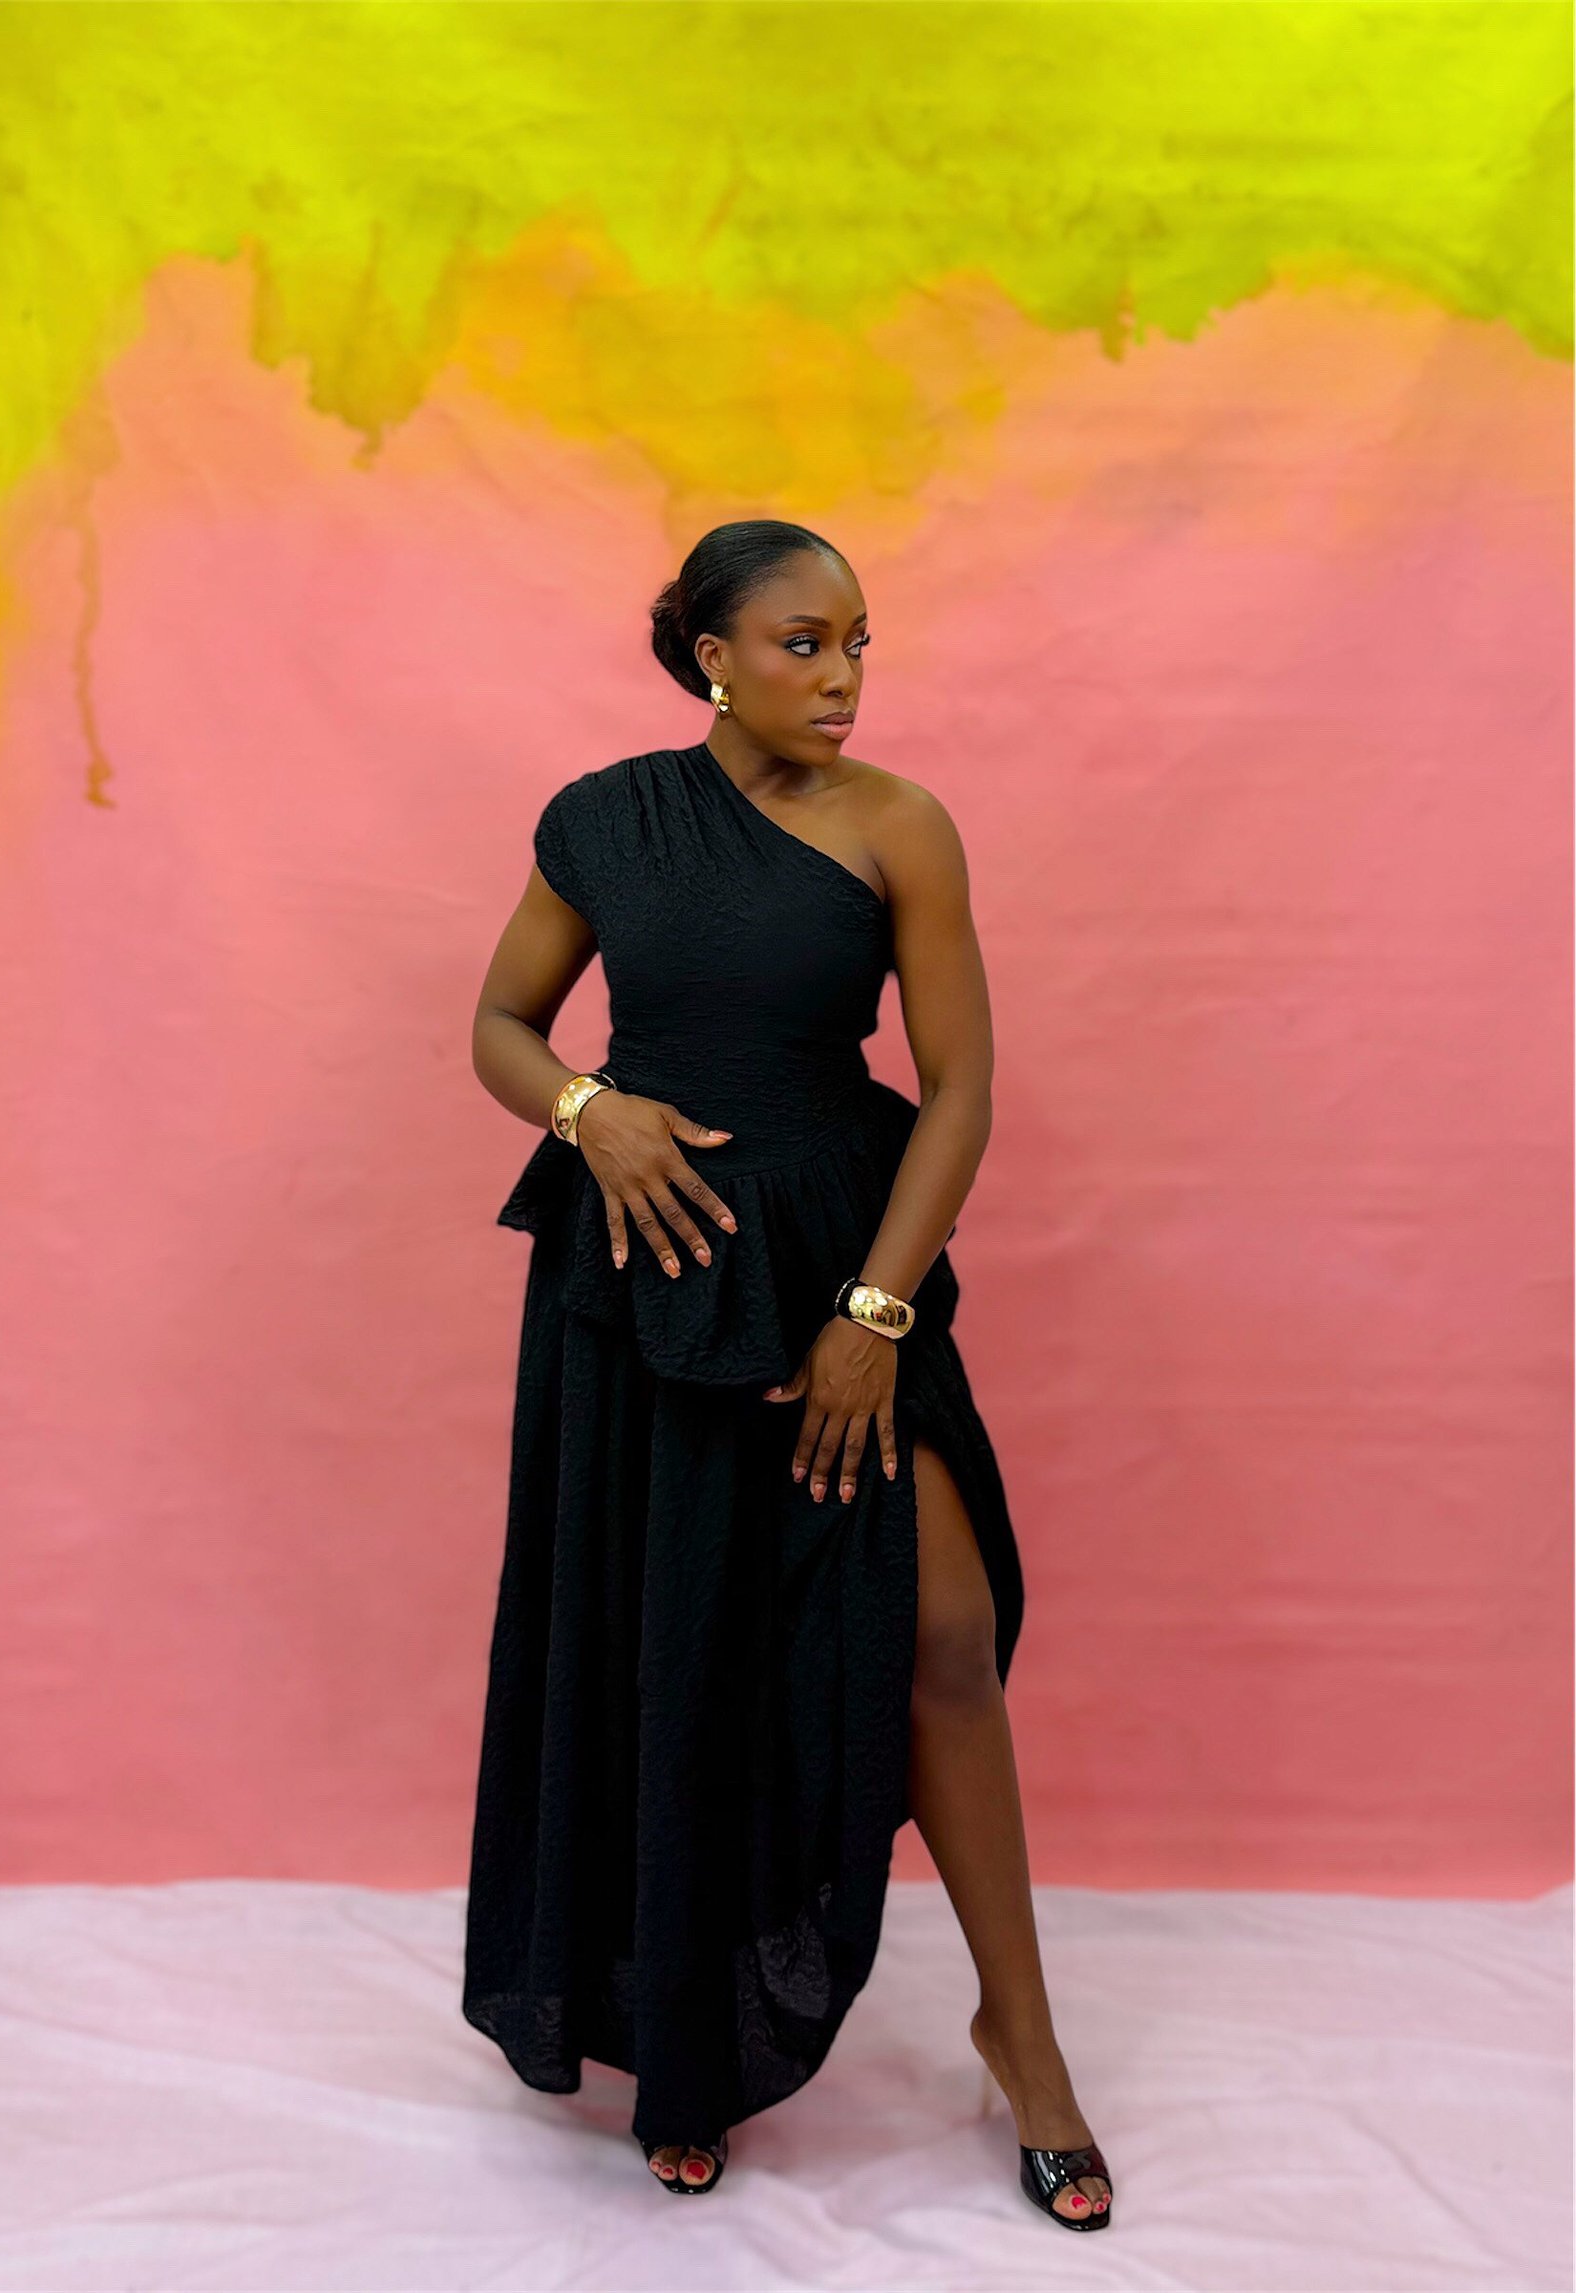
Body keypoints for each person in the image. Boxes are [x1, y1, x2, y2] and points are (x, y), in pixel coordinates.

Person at [461, 519, 1114, 2229]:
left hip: (842, 1256)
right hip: (650, 1272)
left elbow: (960, 1088)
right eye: (803, 643)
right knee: (678, 1654)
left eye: (857, 643)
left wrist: (873, 1313)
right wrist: (590, 1115)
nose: (841, 677)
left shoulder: (902, 825)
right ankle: (684, 2054)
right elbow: (502, 1026)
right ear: (713, 656)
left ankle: (1026, 2040)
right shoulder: (605, 818)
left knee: (944, 1631)